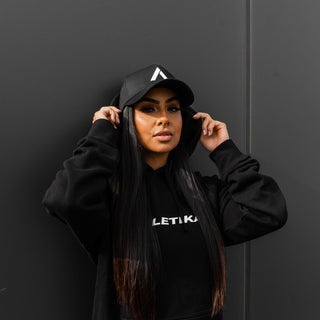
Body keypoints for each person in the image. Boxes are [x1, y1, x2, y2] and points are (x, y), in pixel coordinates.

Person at [41, 64, 288, 320]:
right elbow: (64, 199)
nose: (164, 118)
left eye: (172, 108)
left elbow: (268, 211)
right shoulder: (108, 196)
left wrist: (224, 150)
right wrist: (102, 134)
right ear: (126, 119)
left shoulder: (203, 192)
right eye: (148, 109)